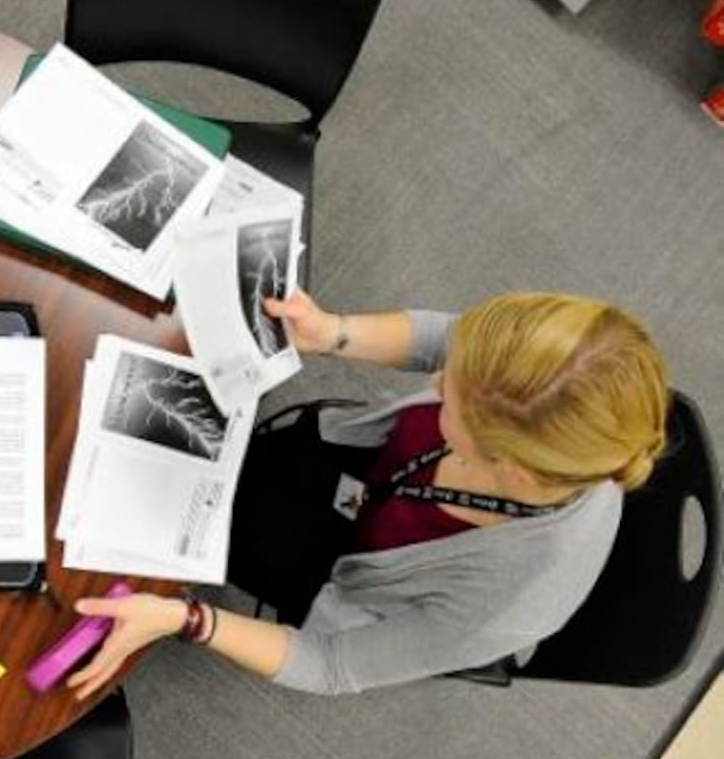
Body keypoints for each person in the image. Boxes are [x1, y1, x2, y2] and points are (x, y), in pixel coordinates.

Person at [68, 290, 669, 697]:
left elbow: (330, 665)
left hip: (340, 564)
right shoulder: (537, 374)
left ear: (507, 465)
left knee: (97, 511)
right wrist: (333, 333)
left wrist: (188, 618)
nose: (436, 376)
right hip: (358, 463)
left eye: (450, 396)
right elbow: (444, 338)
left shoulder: (502, 602)